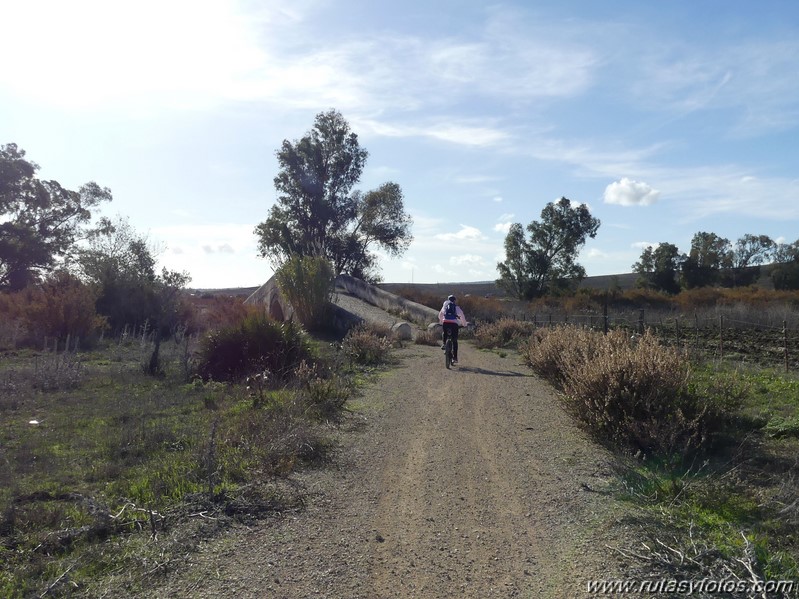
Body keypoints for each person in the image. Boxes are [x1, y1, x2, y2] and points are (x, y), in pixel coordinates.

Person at [438, 294, 467, 364]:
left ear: (448, 300)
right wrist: (464, 324)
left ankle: (444, 344)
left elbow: (440, 315)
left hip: (445, 323)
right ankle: (455, 358)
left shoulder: (444, 307)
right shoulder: (457, 308)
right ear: (454, 301)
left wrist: (442, 321)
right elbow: (462, 317)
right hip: (454, 324)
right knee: (454, 340)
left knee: (444, 333)